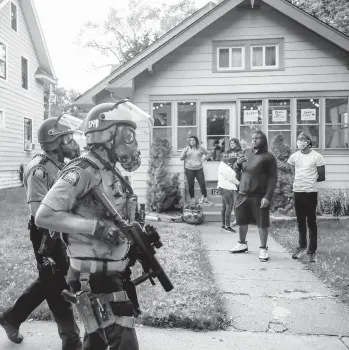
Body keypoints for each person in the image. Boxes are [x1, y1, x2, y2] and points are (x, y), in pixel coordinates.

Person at [35, 100, 154, 350]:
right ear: (107, 135)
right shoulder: (83, 170)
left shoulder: (109, 170)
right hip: (94, 277)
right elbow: (44, 215)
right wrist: (96, 228)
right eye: (128, 134)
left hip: (109, 272)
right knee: (123, 342)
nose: (132, 141)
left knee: (97, 342)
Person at [0, 116, 82, 349]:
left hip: (59, 231)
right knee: (58, 285)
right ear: (56, 142)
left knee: (50, 281)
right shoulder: (39, 169)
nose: (73, 143)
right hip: (45, 234)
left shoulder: (59, 164)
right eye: (69, 139)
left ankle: (11, 318)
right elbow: (39, 214)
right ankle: (71, 339)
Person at [229, 130, 277, 262]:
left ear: (263, 140)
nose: (254, 140)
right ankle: (242, 244)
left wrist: (267, 196)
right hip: (243, 193)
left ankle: (263, 248)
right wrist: (238, 163)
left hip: (259, 195)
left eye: (258, 138)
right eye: (253, 138)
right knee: (241, 220)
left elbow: (273, 178)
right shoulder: (246, 152)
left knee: (262, 223)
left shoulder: (268, 157)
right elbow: (236, 169)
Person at [287, 132, 325, 263]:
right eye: (298, 139)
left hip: (310, 193)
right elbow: (293, 171)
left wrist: (309, 181)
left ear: (309, 141)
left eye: (302, 139)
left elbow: (322, 176)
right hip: (298, 192)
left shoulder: (317, 157)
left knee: (311, 222)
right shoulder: (294, 157)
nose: (300, 141)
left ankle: (312, 251)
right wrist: (299, 181)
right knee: (300, 221)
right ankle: (302, 247)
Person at [180, 136, 212, 205]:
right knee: (191, 184)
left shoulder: (200, 148)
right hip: (189, 169)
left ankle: (205, 198)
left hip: (199, 169)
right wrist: (184, 152)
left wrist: (203, 159)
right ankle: (192, 198)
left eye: (193, 140)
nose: (192, 141)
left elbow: (209, 153)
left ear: (196, 141)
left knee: (202, 183)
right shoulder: (186, 148)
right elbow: (181, 158)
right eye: (191, 140)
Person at [218, 152, 240, 233]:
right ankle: (227, 226)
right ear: (221, 158)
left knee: (224, 207)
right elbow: (231, 178)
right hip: (226, 188)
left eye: (227, 156)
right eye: (224, 157)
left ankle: (224, 225)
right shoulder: (223, 166)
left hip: (225, 187)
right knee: (229, 207)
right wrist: (239, 183)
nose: (226, 158)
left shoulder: (226, 165)